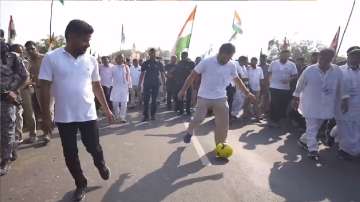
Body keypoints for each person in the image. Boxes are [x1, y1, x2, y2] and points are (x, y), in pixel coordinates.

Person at [38, 19, 114, 201]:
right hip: (64, 117)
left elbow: (97, 86)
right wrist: (46, 117)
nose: (88, 44)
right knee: (70, 153)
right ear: (72, 37)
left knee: (94, 147)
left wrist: (107, 110)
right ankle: (80, 183)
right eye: (85, 40)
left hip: (88, 114)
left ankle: (100, 163)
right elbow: (44, 87)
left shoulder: (91, 60)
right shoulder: (51, 58)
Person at [178, 43, 256, 149]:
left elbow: (237, 80)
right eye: (225, 57)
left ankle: (220, 148)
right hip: (204, 97)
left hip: (221, 98)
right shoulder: (206, 62)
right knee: (198, 119)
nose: (227, 60)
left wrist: (248, 93)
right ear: (220, 52)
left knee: (223, 125)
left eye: (230, 57)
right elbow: (192, 76)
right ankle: (190, 131)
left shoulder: (231, 65)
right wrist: (183, 91)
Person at [292, 48, 342, 160]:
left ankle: (303, 140)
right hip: (310, 104)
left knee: (315, 127)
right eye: (322, 58)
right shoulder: (309, 70)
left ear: (331, 59)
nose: (323, 61)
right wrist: (295, 98)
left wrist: (343, 100)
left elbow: (341, 87)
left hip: (327, 105)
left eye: (327, 59)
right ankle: (313, 150)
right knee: (311, 126)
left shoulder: (337, 71)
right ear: (319, 57)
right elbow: (299, 85)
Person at [0, 43, 28, 176]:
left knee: (7, 130)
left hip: (6, 100)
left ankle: (5, 160)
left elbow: (24, 75)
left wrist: (12, 90)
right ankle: (11, 149)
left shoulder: (13, 57)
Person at [25, 40, 53, 143]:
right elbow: (28, 76)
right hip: (38, 89)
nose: (31, 51)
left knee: (48, 110)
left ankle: (47, 133)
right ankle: (47, 130)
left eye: (32, 48)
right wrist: (30, 83)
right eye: (28, 50)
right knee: (43, 110)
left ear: (36, 48)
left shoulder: (45, 57)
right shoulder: (28, 62)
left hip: (50, 88)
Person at [334, 47, 360, 159]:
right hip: (343, 104)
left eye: (358, 56)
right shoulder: (338, 70)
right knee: (345, 127)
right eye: (354, 55)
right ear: (348, 56)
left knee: (356, 127)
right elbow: (334, 87)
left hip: (358, 104)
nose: (356, 58)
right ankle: (344, 150)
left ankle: (355, 149)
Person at [10, 44, 37, 146]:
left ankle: (33, 134)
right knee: (17, 115)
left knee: (29, 113)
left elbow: (33, 76)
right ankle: (18, 136)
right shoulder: (7, 63)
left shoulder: (27, 63)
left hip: (25, 90)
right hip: (14, 92)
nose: (20, 53)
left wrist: (30, 83)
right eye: (18, 51)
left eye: (21, 51)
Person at [268, 49, 298, 128]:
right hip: (274, 87)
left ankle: (279, 119)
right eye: (283, 54)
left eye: (287, 55)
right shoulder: (273, 63)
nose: (285, 56)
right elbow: (269, 73)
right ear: (280, 55)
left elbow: (295, 75)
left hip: (285, 88)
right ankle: (273, 120)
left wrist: (289, 80)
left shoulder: (292, 64)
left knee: (283, 104)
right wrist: (269, 83)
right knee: (274, 104)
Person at [138, 48, 166, 121]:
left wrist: (164, 84)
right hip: (147, 84)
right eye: (151, 53)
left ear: (155, 54)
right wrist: (139, 84)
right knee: (146, 100)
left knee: (154, 100)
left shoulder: (159, 63)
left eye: (153, 53)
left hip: (156, 84)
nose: (152, 54)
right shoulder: (145, 63)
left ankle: (153, 115)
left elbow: (162, 74)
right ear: (149, 54)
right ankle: (145, 116)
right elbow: (142, 74)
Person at [110, 54, 131, 123]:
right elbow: (110, 77)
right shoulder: (113, 67)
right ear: (116, 59)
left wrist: (129, 86)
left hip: (124, 87)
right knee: (115, 103)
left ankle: (122, 117)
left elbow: (129, 77)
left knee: (124, 103)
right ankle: (117, 115)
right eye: (119, 58)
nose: (121, 59)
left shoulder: (126, 67)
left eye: (122, 58)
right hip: (116, 87)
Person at [247, 57, 264, 121]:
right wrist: (248, 87)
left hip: (257, 88)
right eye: (252, 61)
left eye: (255, 61)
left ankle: (258, 117)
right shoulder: (248, 68)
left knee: (256, 103)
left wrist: (262, 88)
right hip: (249, 89)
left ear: (257, 62)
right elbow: (246, 79)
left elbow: (261, 79)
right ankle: (246, 116)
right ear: (251, 61)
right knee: (247, 103)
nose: (253, 62)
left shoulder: (259, 69)